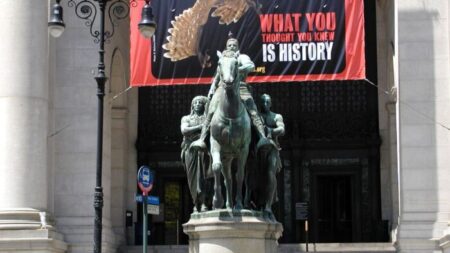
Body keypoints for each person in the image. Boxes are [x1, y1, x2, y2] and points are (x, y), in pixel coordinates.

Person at [191, 37, 270, 151]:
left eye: (234, 45)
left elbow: (251, 66)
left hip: (240, 87)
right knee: (212, 109)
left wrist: (238, 68)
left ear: (238, 47)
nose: (232, 47)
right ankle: (202, 139)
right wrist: (211, 90)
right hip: (222, 88)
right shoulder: (223, 59)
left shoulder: (241, 57)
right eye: (230, 45)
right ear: (226, 46)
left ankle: (262, 137)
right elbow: (217, 78)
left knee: (253, 110)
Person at [180, 96, 212, 213]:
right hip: (190, 150)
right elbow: (184, 130)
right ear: (192, 106)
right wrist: (200, 127)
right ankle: (196, 201)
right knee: (193, 178)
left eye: (200, 102)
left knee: (205, 177)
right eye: (195, 102)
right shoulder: (186, 118)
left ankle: (204, 202)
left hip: (204, 150)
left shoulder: (207, 118)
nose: (198, 104)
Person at [258, 94, 285, 220]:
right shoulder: (256, 116)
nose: (265, 104)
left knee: (270, 174)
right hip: (257, 149)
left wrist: (270, 131)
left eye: (267, 101)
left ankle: (268, 205)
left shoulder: (276, 116)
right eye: (263, 102)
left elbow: (282, 129)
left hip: (272, 147)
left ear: (271, 103)